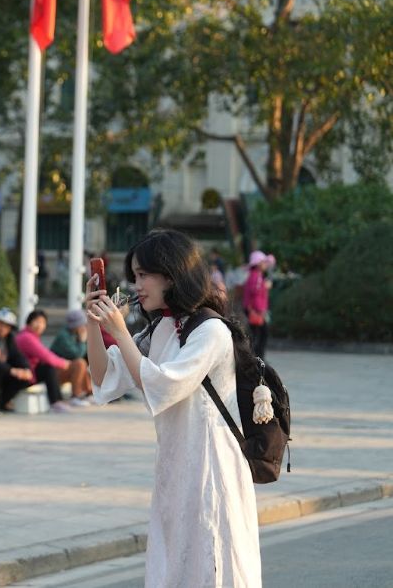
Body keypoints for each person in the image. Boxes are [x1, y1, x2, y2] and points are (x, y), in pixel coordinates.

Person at [85, 229, 261, 587]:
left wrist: (119, 332)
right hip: (176, 467)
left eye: (143, 275)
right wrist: (93, 322)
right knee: (174, 566)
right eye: (134, 276)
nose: (137, 285)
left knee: (212, 563)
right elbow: (106, 378)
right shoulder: (163, 328)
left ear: (172, 274)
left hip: (211, 469)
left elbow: (165, 385)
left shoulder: (210, 330)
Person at [14, 310, 93, 412]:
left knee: (81, 364)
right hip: (28, 374)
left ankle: (86, 394)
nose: (40, 325)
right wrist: (81, 342)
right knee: (78, 363)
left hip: (33, 371)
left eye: (42, 323)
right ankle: (67, 398)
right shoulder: (27, 337)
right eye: (37, 321)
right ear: (29, 322)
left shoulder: (31, 336)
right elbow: (47, 356)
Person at [243, 250, 273, 359]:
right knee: (261, 334)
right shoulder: (256, 277)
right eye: (264, 262)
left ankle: (256, 357)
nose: (266, 265)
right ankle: (258, 358)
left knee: (257, 334)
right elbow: (255, 295)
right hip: (256, 310)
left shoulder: (255, 275)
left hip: (253, 309)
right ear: (258, 264)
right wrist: (261, 310)